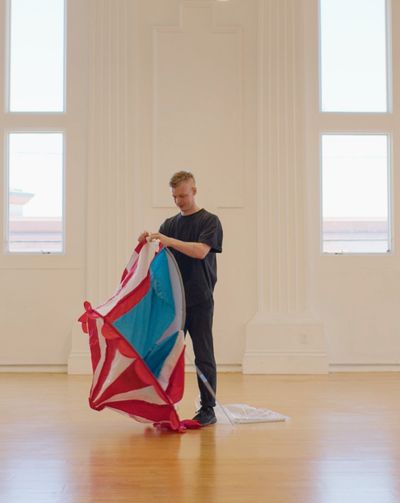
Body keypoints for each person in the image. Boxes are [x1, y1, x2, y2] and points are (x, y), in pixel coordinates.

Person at [138, 171, 223, 426]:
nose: (179, 201)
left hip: (200, 300)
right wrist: (146, 242)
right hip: (174, 302)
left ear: (194, 191)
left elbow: (199, 251)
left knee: (203, 355)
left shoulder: (210, 221)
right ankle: (161, 405)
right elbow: (159, 256)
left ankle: (208, 409)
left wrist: (168, 240)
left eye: (183, 196)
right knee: (165, 354)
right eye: (175, 196)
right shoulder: (169, 224)